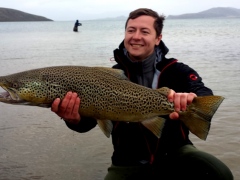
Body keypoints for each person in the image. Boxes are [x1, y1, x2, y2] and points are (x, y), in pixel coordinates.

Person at [52, 8, 233, 180]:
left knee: (219, 172)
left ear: (157, 38)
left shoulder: (177, 70)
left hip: (175, 152)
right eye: (131, 30)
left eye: (145, 32)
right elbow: (87, 123)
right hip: (126, 161)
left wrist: (191, 98)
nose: (136, 37)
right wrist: (73, 120)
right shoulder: (109, 76)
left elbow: (202, 92)